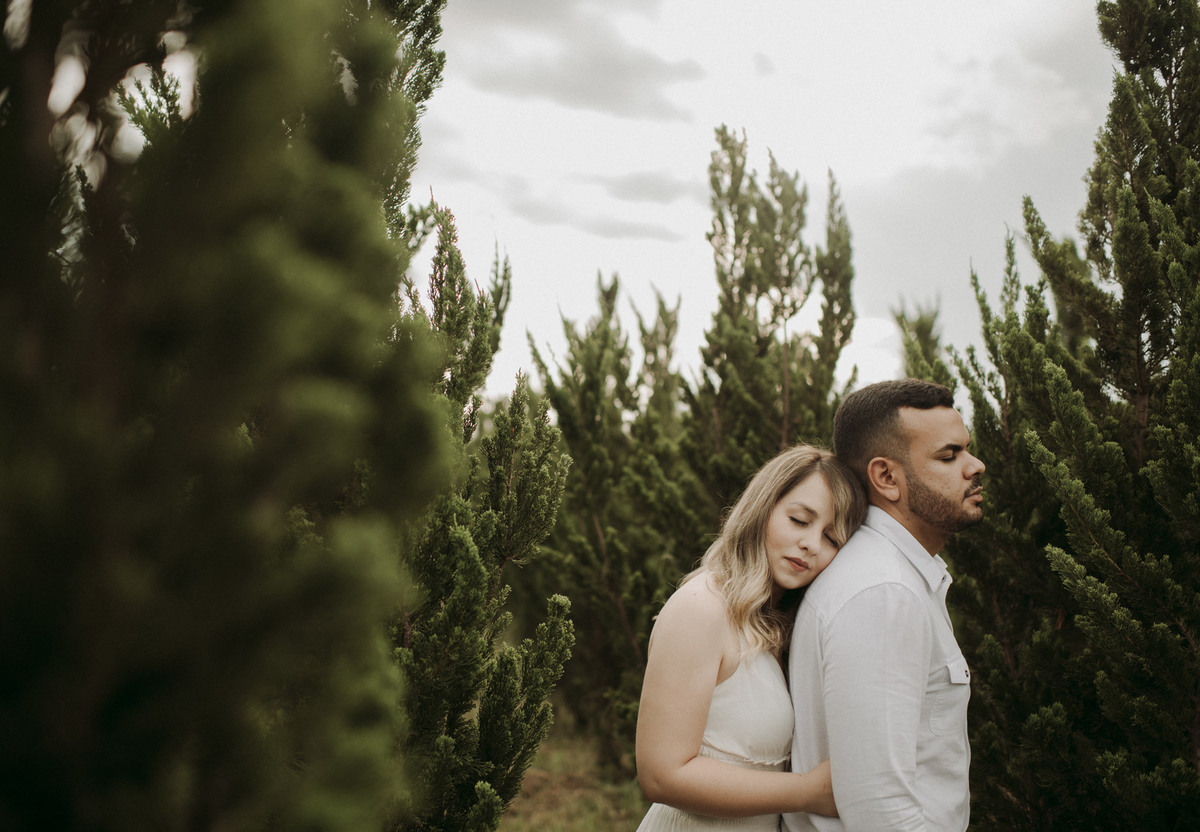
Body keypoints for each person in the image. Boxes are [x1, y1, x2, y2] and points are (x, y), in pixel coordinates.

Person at [784, 379, 986, 832]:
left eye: (966, 450)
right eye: (949, 456)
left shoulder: (895, 576)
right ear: (886, 477)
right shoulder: (882, 593)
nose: (975, 466)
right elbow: (879, 809)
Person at [635, 444, 868, 831]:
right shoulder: (702, 608)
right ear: (762, 509)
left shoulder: (782, 625)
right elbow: (661, 775)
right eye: (799, 520)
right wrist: (808, 791)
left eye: (831, 538)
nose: (812, 544)